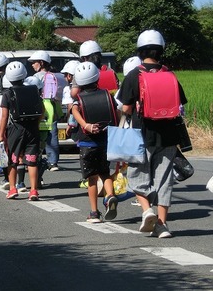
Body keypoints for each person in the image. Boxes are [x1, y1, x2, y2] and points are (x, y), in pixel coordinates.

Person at [117, 30, 188, 238]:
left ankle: (147, 210)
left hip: (142, 134)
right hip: (168, 136)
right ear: (161, 50)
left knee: (136, 176)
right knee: (164, 179)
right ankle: (162, 225)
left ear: (140, 51)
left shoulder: (134, 75)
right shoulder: (169, 74)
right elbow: (179, 103)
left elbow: (126, 109)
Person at [71, 61, 119, 223]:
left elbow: (74, 110)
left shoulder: (79, 99)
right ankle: (110, 196)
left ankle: (94, 212)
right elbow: (116, 114)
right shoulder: (107, 95)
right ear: (97, 78)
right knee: (105, 173)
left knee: (91, 178)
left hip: (87, 143)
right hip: (105, 141)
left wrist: (86, 125)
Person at [0, 61, 42, 201]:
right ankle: (34, 190)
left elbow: (4, 116)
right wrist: (36, 123)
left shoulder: (7, 94)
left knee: (13, 159)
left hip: (15, 129)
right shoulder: (33, 90)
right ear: (24, 75)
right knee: (32, 160)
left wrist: (1, 134)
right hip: (32, 128)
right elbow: (41, 111)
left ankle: (12, 188)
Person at [29, 50, 62, 171]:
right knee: (52, 134)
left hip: (40, 107)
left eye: (34, 62)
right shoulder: (54, 76)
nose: (32, 65)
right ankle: (53, 162)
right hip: (52, 107)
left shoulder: (35, 77)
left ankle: (37, 159)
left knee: (38, 135)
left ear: (41, 63)